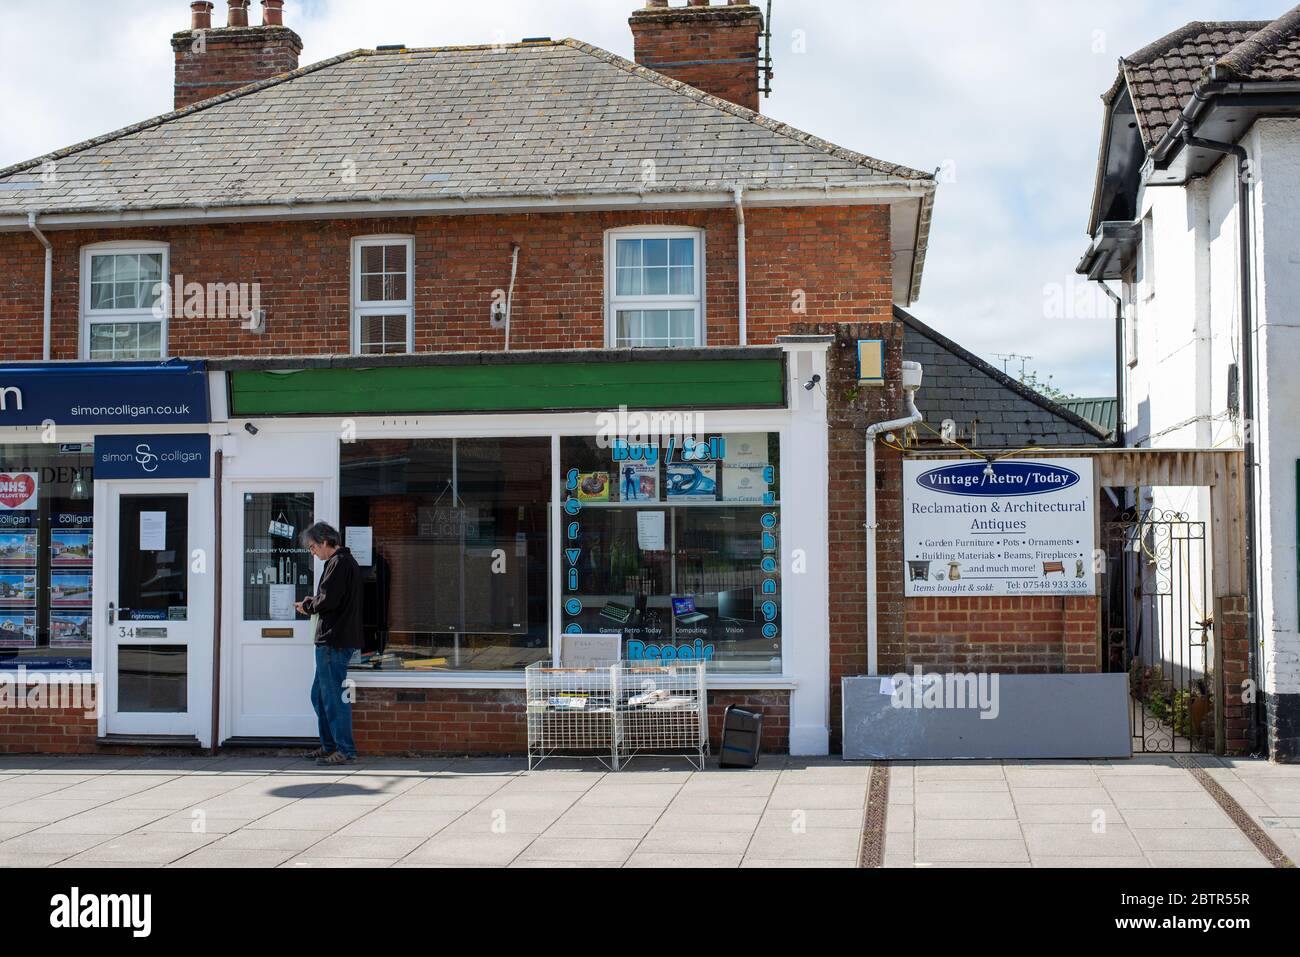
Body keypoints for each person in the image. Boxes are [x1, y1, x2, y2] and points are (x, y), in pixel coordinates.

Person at [295, 521, 363, 766]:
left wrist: (308, 606)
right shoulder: (342, 563)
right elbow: (332, 598)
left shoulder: (339, 564)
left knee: (333, 697)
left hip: (334, 640)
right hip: (334, 639)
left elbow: (328, 601)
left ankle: (344, 749)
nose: (313, 552)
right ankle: (329, 745)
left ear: (325, 542)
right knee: (320, 696)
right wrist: (316, 601)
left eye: (313, 547)